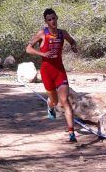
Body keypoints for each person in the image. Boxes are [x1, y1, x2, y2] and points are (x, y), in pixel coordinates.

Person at [26, 8, 78, 142]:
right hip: (46, 72)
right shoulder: (42, 33)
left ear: (57, 18)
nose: (52, 21)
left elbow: (72, 41)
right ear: (46, 21)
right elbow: (28, 48)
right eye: (49, 19)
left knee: (65, 100)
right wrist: (42, 54)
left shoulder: (62, 33)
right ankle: (50, 106)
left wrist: (74, 47)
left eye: (54, 18)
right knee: (54, 101)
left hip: (59, 71)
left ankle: (72, 134)